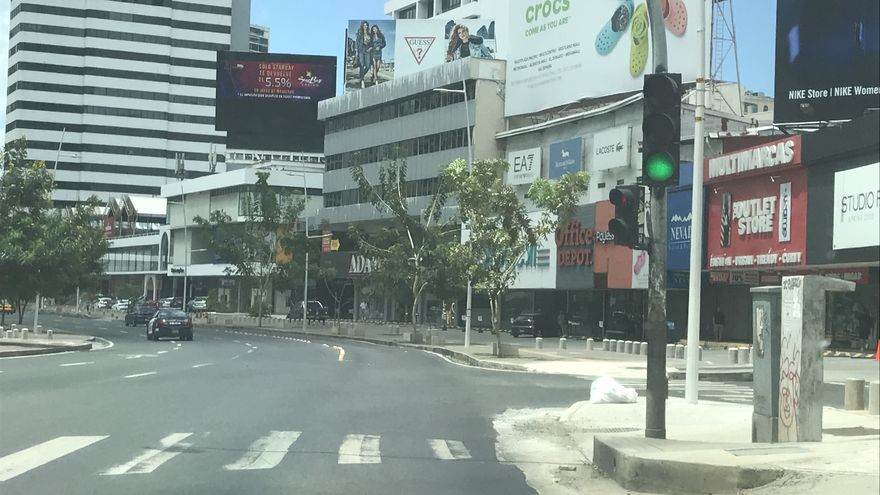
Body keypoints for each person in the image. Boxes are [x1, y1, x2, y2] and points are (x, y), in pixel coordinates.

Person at [354, 21, 371, 88]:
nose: (365, 26)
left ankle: (361, 77)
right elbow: (357, 42)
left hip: (367, 51)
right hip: (361, 50)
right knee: (362, 65)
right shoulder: (360, 33)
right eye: (364, 25)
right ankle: (362, 81)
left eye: (366, 25)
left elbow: (371, 43)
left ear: (367, 26)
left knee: (368, 66)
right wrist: (356, 51)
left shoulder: (369, 34)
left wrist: (370, 48)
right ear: (362, 26)